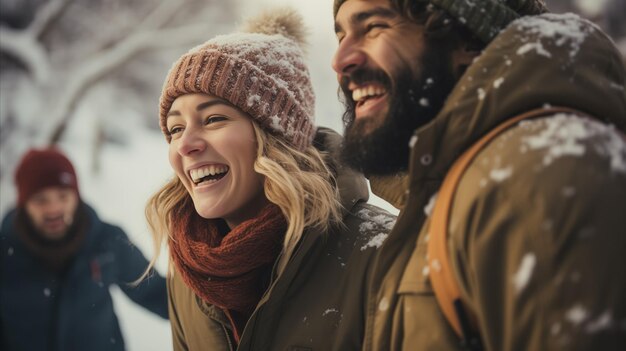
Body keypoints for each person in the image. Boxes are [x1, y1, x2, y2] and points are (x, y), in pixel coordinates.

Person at [331, 0, 626, 350]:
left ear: (466, 37)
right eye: (341, 36)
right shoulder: (451, 194)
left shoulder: (534, 175)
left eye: (374, 27)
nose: (340, 61)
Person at [145, 7, 395, 351]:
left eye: (214, 119)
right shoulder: (189, 273)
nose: (185, 144)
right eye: (175, 128)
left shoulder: (384, 256)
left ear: (278, 138)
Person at [0, 148, 168, 351]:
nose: (53, 209)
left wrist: (212, 305)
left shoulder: (107, 241)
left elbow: (159, 294)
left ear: (76, 196)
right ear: (23, 204)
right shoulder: (5, 252)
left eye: (63, 196)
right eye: (40, 200)